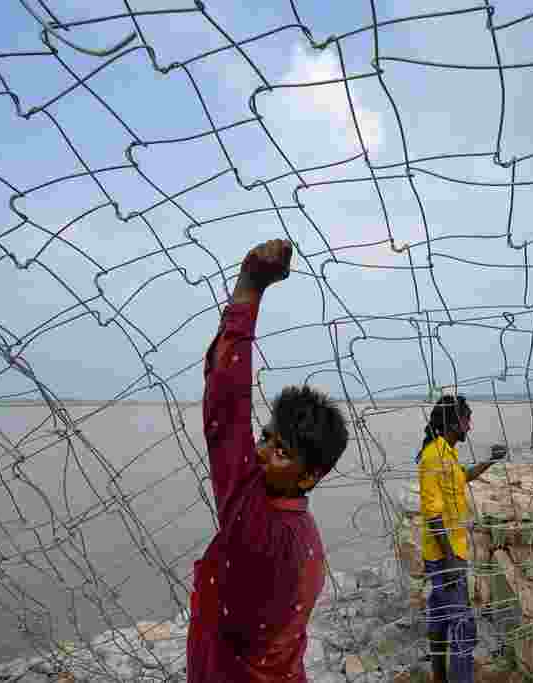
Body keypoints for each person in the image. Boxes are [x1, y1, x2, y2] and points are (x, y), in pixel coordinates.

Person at [187, 239, 350, 682]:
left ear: (311, 475)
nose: (259, 453)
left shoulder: (256, 523)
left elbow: (226, 412)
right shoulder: (304, 532)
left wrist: (250, 287)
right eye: (265, 437)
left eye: (281, 451)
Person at [417, 395, 507, 683]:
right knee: (462, 627)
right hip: (445, 557)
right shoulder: (434, 456)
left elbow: (462, 477)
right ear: (454, 422)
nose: (470, 426)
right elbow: (432, 515)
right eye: (467, 419)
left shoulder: (447, 454)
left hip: (448, 553)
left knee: (441, 617)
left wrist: (490, 461)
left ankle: (439, 677)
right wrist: (452, 559)